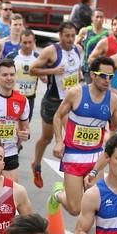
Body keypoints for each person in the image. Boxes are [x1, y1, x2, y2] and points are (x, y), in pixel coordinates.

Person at [49, 55, 117, 234]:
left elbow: (116, 125)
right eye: (103, 75)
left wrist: (109, 137)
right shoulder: (77, 93)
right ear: (92, 74)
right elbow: (57, 116)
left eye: (111, 76)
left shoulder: (113, 100)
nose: (107, 80)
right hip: (73, 156)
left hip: (95, 159)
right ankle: (57, 195)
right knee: (74, 208)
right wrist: (59, 141)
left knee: (92, 207)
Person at [30, 21, 84, 188]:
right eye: (67, 36)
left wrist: (80, 81)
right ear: (60, 36)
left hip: (71, 102)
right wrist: (52, 71)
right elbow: (33, 69)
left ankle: (72, 175)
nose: (70, 39)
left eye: (72, 36)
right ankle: (36, 165)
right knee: (46, 138)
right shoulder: (51, 51)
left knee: (71, 137)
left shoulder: (78, 50)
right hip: (53, 101)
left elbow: (78, 71)